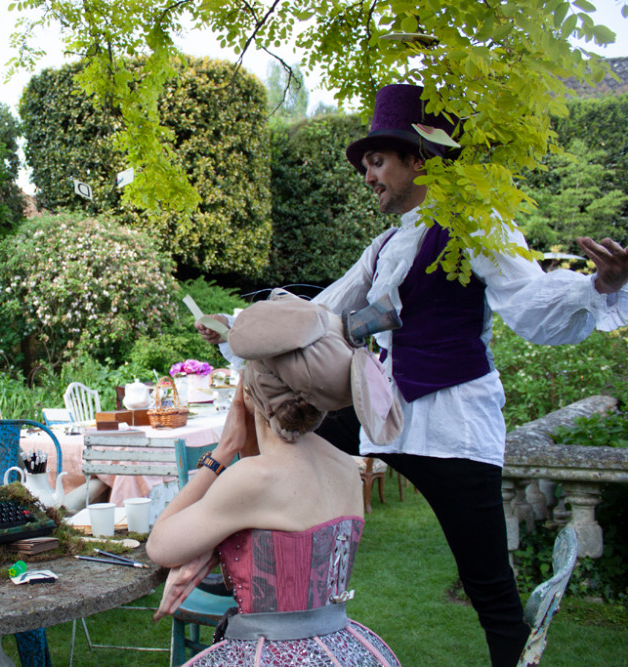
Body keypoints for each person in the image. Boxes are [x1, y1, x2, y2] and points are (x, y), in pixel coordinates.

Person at [196, 84, 628, 667]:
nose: (368, 176)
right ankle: (244, 568)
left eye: (377, 162)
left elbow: (529, 300)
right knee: (279, 428)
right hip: (382, 412)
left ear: (418, 159)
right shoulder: (382, 248)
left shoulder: (477, 226)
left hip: (450, 423)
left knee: (488, 587)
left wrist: (597, 286)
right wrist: (239, 330)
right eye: (367, 164)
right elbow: (316, 314)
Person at [149, 291, 402, 666]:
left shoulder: (255, 479)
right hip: (342, 647)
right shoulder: (345, 467)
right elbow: (271, 532)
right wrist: (219, 546)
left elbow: (161, 546)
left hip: (270, 654)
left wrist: (222, 452)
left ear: (248, 393)